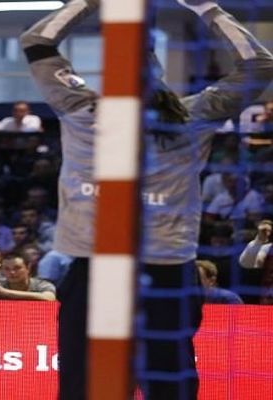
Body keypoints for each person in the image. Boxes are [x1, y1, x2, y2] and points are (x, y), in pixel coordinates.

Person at [20, 1, 273, 399]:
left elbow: (36, 40)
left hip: (99, 269)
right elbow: (260, 65)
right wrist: (205, 7)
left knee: (83, 387)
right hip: (165, 272)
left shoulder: (83, 108)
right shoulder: (192, 116)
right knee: (167, 387)